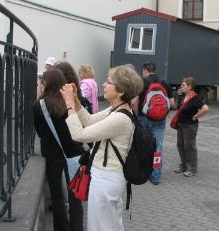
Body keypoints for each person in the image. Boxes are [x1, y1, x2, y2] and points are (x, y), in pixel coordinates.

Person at [60, 64, 143, 231]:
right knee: (110, 225)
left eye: (108, 82)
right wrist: (75, 99)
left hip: (107, 178)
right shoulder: (115, 109)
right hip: (107, 176)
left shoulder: (120, 117)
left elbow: (79, 135)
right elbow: (89, 121)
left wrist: (69, 103)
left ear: (121, 91)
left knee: (100, 227)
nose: (103, 85)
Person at [33, 69, 84, 231]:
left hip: (52, 154)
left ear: (46, 84)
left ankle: (61, 227)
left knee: (57, 196)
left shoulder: (40, 105)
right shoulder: (70, 103)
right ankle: (77, 227)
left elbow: (39, 131)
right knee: (75, 196)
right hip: (74, 152)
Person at [132, 62, 175, 185]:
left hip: (143, 119)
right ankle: (155, 176)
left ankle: (140, 173)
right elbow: (172, 104)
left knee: (140, 145)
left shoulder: (142, 82)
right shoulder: (164, 83)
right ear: (154, 70)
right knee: (158, 148)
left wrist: (136, 115)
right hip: (160, 121)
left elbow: (134, 102)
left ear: (145, 70)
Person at [173, 77, 209, 177]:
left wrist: (196, 116)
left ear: (189, 86)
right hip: (181, 124)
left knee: (189, 147)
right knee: (180, 145)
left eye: (183, 85)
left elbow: (205, 108)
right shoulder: (183, 96)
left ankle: (192, 169)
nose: (181, 86)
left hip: (190, 126)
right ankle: (183, 166)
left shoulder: (195, 98)